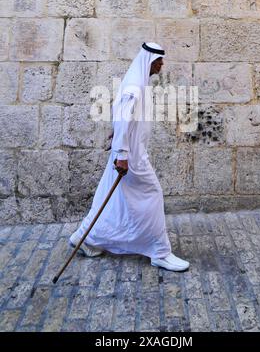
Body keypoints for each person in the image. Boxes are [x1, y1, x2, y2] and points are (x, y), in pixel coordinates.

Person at [69, 42, 190, 272]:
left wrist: (118, 143)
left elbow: (121, 116)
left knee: (112, 198)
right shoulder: (134, 87)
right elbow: (123, 117)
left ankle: (84, 237)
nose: (162, 65)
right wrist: (122, 154)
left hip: (130, 153)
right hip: (132, 158)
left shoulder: (138, 84)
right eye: (158, 61)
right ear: (149, 61)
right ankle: (160, 252)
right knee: (153, 195)